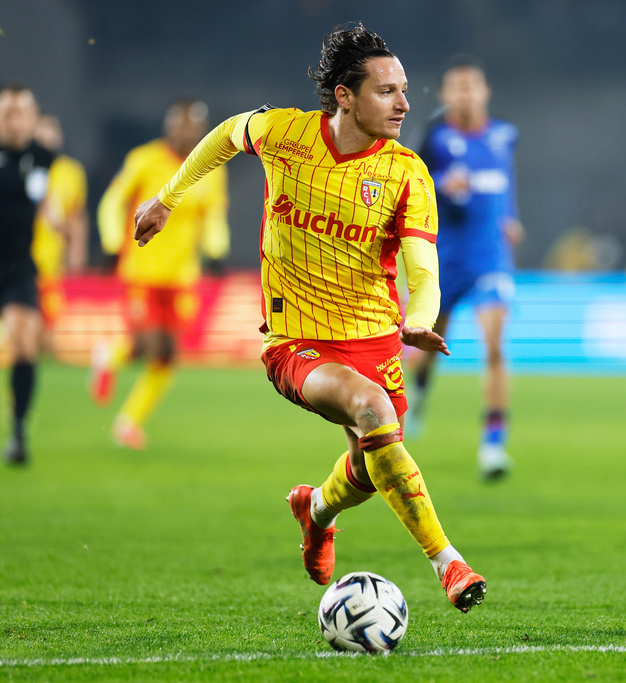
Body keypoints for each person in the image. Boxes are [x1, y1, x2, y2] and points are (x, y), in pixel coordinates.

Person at [132, 24, 487, 612]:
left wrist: (422, 319)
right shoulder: (286, 134)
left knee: (373, 466)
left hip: (375, 340)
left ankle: (316, 511)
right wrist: (167, 198)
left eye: (404, 90)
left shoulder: (406, 173)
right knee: (372, 413)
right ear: (345, 96)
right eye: (386, 91)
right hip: (295, 341)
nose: (404, 103)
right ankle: (449, 563)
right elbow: (225, 134)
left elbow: (424, 271)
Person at [406, 55, 523, 480]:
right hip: (447, 255)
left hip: (491, 255)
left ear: (485, 90)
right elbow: (412, 185)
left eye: (472, 85)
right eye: (457, 87)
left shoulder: (504, 135)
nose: (465, 93)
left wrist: (510, 217)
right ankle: (417, 394)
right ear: (444, 95)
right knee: (428, 345)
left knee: (494, 348)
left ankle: (493, 446)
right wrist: (439, 185)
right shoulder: (435, 139)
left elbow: (506, 180)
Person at [92, 99, 230, 449]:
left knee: (168, 354)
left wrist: (216, 251)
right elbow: (113, 200)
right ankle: (110, 356)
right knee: (149, 343)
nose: (186, 131)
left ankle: (128, 421)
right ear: (169, 126)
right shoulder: (145, 159)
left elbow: (212, 215)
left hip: (182, 275)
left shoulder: (212, 167)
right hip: (143, 267)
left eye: (193, 124)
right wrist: (111, 242)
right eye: (180, 124)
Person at [0, 85, 55, 465]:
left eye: (22, 113)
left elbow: (42, 198)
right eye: (7, 113)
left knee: (25, 342)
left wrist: (60, 222)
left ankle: (18, 432)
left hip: (18, 265)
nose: (15, 120)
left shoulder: (43, 156)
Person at [32, 114, 88, 352]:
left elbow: (77, 217)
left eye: (52, 132)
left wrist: (77, 252)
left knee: (48, 329)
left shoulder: (71, 172)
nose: (48, 138)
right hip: (20, 258)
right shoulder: (22, 169)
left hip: (53, 263)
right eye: (42, 133)